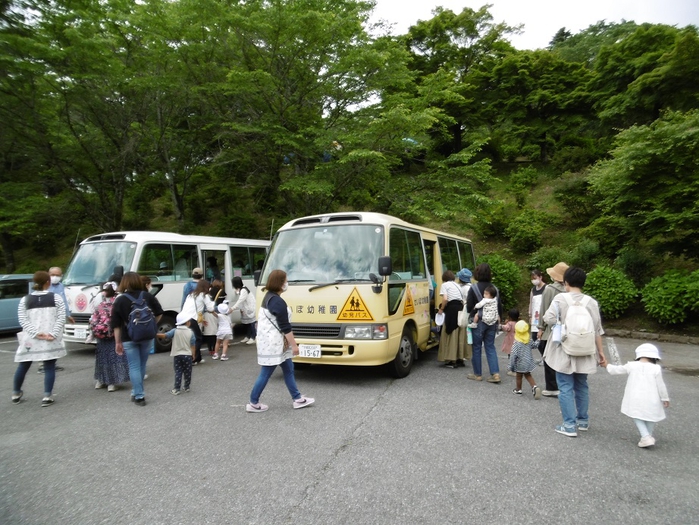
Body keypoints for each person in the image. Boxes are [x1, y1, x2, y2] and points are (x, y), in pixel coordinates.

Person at [543, 267, 607, 437]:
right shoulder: (591, 302)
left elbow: (548, 318)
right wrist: (601, 352)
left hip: (565, 348)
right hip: (585, 349)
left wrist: (560, 323)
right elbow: (597, 330)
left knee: (565, 386)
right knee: (581, 385)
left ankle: (569, 425)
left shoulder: (560, 298)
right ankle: (583, 421)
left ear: (566, 282)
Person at [246, 269, 314, 413]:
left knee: (289, 369)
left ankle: (297, 398)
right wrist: (294, 345)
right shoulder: (277, 301)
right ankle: (253, 402)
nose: (287, 283)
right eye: (285, 281)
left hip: (273, 343)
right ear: (280, 283)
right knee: (266, 373)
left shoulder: (269, 297)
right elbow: (285, 327)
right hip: (275, 344)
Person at [12, 271, 67, 407]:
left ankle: (16, 393)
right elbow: (61, 317)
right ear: (48, 282)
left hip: (30, 339)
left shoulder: (25, 299)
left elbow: (23, 320)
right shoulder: (56, 298)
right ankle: (47, 396)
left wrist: (36, 333)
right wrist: (53, 333)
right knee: (49, 366)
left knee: (23, 365)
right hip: (50, 338)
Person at [111, 272, 163, 406]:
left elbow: (116, 325)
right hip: (147, 336)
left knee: (134, 366)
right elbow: (159, 313)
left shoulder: (120, 300)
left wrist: (117, 342)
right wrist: (152, 325)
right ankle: (136, 392)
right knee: (142, 365)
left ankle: (139, 395)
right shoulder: (147, 296)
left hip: (129, 337)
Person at [602, 343, 670, 448]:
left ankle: (646, 437)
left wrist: (606, 365)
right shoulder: (656, 368)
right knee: (651, 417)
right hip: (652, 398)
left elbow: (617, 370)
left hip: (635, 397)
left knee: (636, 415)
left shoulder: (632, 365)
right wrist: (665, 398)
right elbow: (661, 385)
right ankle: (647, 436)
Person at [90, 282, 129, 392]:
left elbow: (93, 317)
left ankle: (100, 381)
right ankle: (112, 383)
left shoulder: (100, 302)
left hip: (100, 334)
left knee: (101, 358)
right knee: (114, 358)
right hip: (113, 335)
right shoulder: (117, 302)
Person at [466, 263, 502, 383]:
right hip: (492, 322)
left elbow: (469, 307)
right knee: (490, 346)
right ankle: (495, 374)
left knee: (476, 347)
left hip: (479, 322)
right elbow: (499, 307)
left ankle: (477, 374)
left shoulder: (473, 288)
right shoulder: (494, 289)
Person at [538, 262, 569, 397]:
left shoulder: (549, 289)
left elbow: (544, 309)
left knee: (547, 354)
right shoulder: (569, 290)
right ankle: (563, 384)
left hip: (551, 329)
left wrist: (540, 328)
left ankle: (552, 387)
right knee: (562, 357)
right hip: (566, 329)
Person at [157, 312, 195, 395]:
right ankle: (186, 386)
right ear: (187, 322)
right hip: (187, 355)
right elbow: (193, 344)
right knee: (188, 372)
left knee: (178, 372)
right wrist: (193, 354)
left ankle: (177, 389)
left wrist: (155, 334)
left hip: (177, 355)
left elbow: (165, 336)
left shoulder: (175, 331)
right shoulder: (191, 332)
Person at [181, 279, 214, 364]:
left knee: (190, 339)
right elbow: (211, 309)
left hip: (183, 318)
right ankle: (193, 359)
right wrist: (213, 302)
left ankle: (198, 358)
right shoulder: (204, 295)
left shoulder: (191, 294)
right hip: (192, 319)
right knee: (197, 339)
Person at [436, 270, 464, 369]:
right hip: (460, 308)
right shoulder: (457, 285)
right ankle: (460, 358)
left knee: (450, 333)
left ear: (444, 278)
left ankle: (452, 360)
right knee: (458, 333)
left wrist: (441, 309)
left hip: (451, 309)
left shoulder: (445, 285)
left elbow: (445, 299)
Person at [508, 320, 542, 399]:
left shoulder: (516, 343)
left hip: (520, 363)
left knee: (519, 376)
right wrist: (538, 339)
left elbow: (513, 355)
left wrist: (511, 366)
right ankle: (534, 386)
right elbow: (535, 345)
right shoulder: (529, 340)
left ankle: (518, 389)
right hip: (528, 362)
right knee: (528, 375)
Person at [230, 276, 257, 345]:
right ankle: (248, 336)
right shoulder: (242, 289)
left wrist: (233, 308)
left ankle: (253, 337)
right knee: (247, 324)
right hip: (246, 308)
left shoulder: (244, 290)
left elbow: (240, 300)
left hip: (250, 308)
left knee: (252, 323)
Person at [456, 268, 473, 366]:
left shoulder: (463, 288)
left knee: (462, 335)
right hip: (468, 313)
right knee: (467, 335)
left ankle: (461, 356)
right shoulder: (471, 287)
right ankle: (465, 355)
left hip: (463, 313)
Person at [500, 309, 519, 376]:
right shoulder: (518, 323)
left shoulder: (510, 323)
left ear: (510, 317)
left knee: (511, 357)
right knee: (516, 356)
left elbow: (506, 328)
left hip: (511, 341)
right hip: (517, 341)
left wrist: (501, 325)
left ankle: (513, 370)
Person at [528, 270, 546, 341]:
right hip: (535, 317)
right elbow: (531, 303)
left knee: (542, 339)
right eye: (532, 279)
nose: (533, 280)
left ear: (540, 277)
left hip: (543, 316)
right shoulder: (533, 290)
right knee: (534, 338)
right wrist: (530, 315)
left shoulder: (547, 288)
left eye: (535, 278)